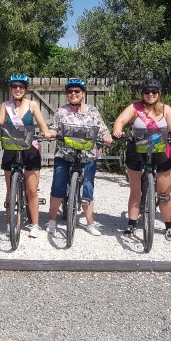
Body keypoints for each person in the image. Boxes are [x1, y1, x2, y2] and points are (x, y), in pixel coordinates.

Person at [111, 79, 171, 241]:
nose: (150, 94)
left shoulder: (166, 109)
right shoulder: (135, 108)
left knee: (164, 193)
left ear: (159, 93)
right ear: (142, 94)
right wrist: (118, 130)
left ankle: (169, 226)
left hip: (161, 152)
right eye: (147, 92)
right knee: (135, 191)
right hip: (137, 152)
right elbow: (121, 120)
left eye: (154, 91)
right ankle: (131, 223)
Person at [47, 78, 112, 236]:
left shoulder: (92, 111)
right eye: (70, 92)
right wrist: (51, 134)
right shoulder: (61, 112)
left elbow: (102, 129)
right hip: (65, 154)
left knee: (88, 188)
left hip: (87, 155)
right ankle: (52, 221)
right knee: (58, 186)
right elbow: (54, 128)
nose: (73, 94)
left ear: (83, 94)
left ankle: (90, 223)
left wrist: (107, 137)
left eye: (77, 91)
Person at [0, 74, 53, 238]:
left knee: (32, 190)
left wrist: (46, 132)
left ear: (25, 89)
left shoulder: (32, 104)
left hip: (29, 148)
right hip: (11, 148)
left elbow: (41, 123)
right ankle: (10, 223)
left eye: (21, 87)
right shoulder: (6, 105)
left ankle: (34, 224)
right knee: (10, 189)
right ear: (11, 89)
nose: (18, 89)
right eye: (14, 86)